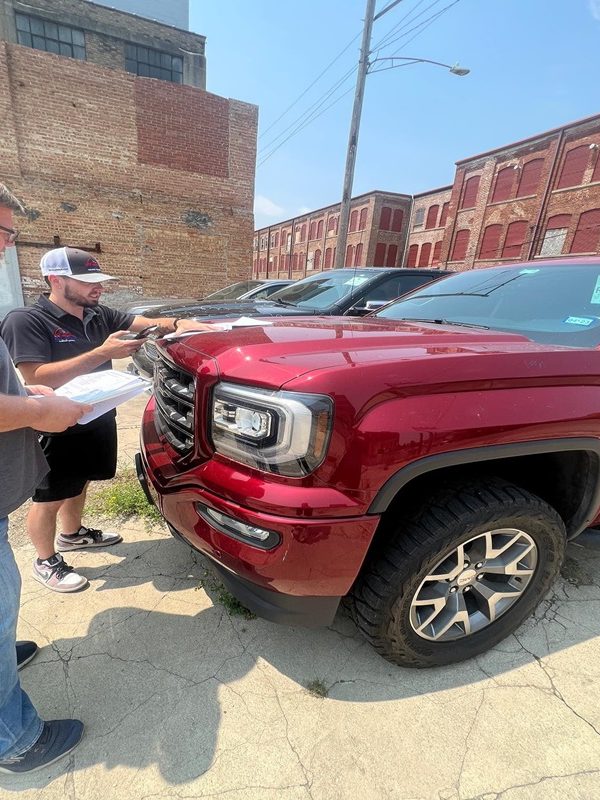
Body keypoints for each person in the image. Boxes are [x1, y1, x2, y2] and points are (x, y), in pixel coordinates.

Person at [0, 246, 187, 593]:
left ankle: (72, 535)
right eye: (87, 281)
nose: (98, 287)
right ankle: (45, 560)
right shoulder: (25, 320)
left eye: (99, 280)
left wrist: (181, 325)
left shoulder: (97, 314)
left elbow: (146, 324)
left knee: (81, 481)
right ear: (56, 280)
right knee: (50, 496)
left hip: (97, 414)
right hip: (55, 424)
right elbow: (37, 376)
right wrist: (103, 353)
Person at [0, 183, 92, 773]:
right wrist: (36, 409)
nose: (7, 245)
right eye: (2, 232)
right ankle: (15, 741)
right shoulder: (26, 317)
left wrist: (23, 396)